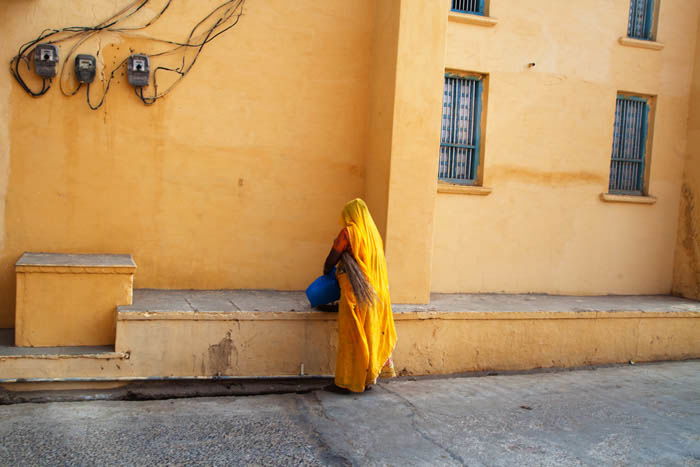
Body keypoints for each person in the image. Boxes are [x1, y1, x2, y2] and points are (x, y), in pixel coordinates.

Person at [323, 198, 397, 393]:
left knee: (352, 336)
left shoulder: (349, 232)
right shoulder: (374, 236)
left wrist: (326, 271)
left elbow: (331, 260)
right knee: (369, 333)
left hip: (354, 294)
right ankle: (366, 378)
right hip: (373, 294)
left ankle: (347, 382)